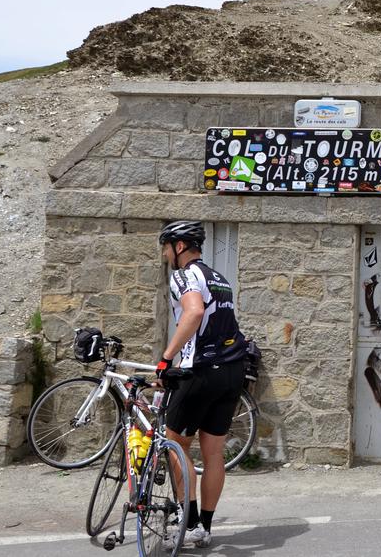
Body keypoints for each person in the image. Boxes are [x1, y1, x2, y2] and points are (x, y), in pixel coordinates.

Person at [157, 220, 249, 548]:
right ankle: (205, 528)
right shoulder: (219, 278)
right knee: (213, 453)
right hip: (232, 372)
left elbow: (193, 313)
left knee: (175, 444)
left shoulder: (184, 275)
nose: (165, 254)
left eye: (166, 247)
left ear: (179, 247)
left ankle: (189, 522)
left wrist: (166, 358)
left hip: (201, 371)